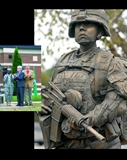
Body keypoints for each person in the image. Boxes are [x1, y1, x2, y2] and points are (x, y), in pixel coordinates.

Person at [38, 9, 127, 149]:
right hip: (67, 143)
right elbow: (51, 94)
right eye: (77, 25)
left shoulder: (110, 62)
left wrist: (91, 118)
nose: (82, 28)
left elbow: (118, 101)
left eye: (88, 24)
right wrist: (45, 108)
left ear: (99, 31)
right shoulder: (63, 60)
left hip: (100, 143)